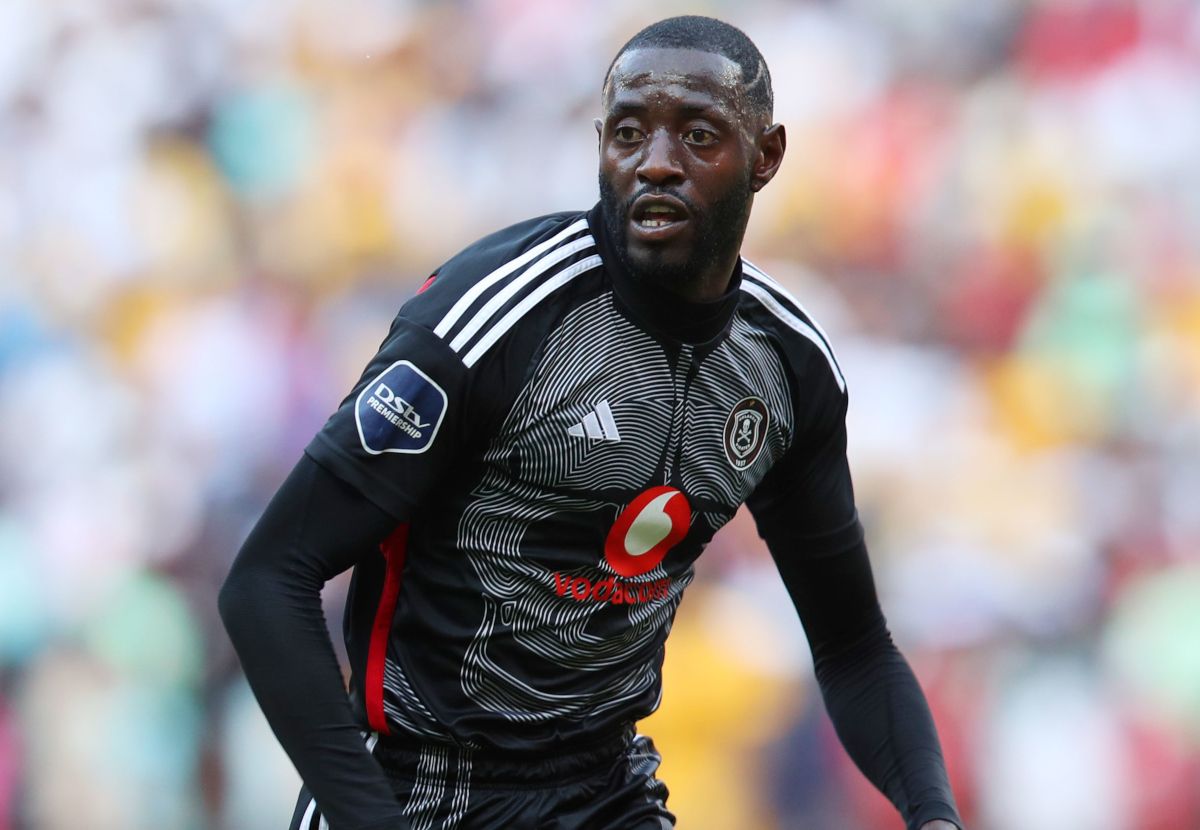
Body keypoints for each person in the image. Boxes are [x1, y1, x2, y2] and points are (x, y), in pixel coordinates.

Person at [219, 15, 964, 830]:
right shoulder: (495, 319)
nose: (657, 163)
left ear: (767, 156)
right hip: (418, 789)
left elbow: (854, 647)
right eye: (630, 133)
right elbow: (267, 580)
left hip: (604, 791)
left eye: (699, 135)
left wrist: (934, 816)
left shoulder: (786, 366)